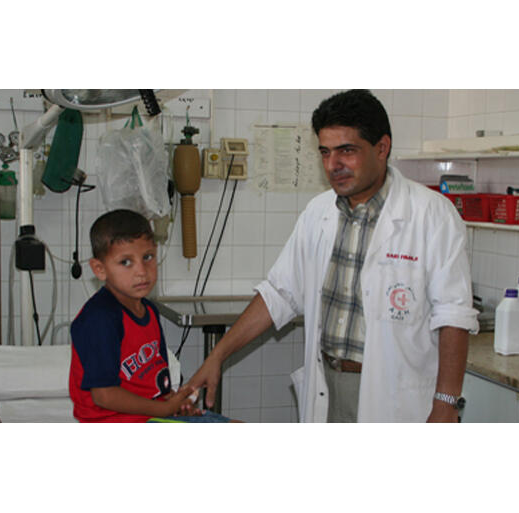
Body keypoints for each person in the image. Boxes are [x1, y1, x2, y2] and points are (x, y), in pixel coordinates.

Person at [187, 89, 479, 422]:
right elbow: (278, 294)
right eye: (325, 152)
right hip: (326, 382)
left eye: (346, 151)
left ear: (382, 148)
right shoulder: (319, 213)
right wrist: (217, 357)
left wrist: (445, 403)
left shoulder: (431, 214)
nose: (332, 165)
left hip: (394, 393)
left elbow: (453, 315)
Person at [69, 209, 214, 422]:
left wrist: (173, 404)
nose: (141, 271)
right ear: (100, 269)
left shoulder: (149, 311)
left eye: (148, 257)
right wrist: (164, 410)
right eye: (126, 262)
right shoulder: (100, 319)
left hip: (148, 416)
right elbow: (104, 395)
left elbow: (153, 384)